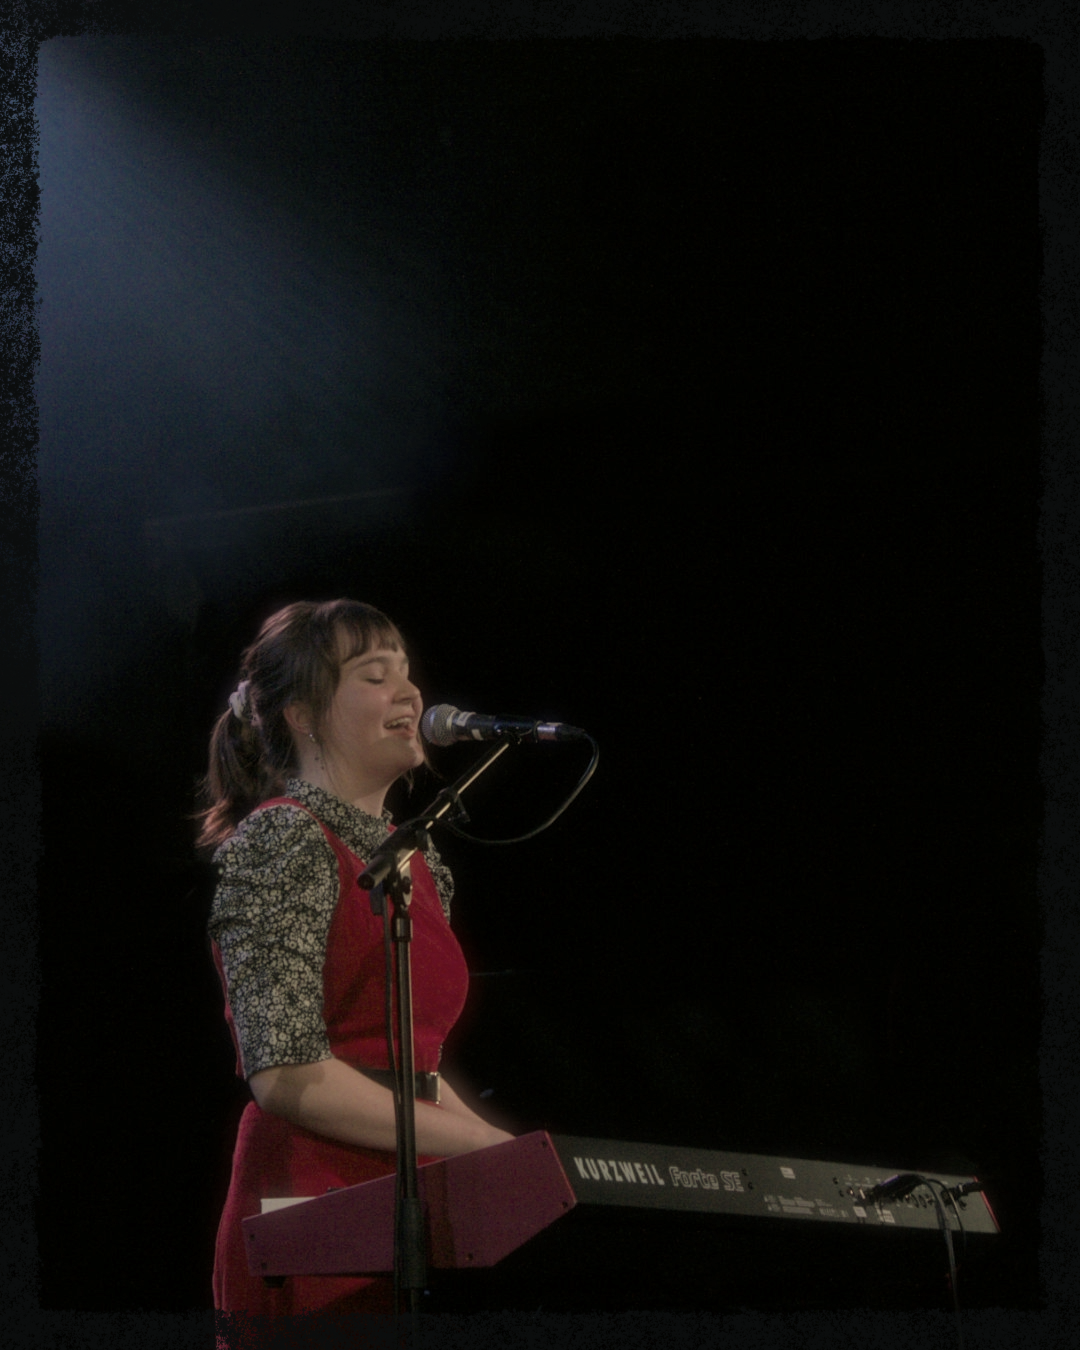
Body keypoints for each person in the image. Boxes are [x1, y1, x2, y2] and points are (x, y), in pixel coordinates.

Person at [198, 598, 513, 1335]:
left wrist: (512, 1157)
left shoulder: (418, 861)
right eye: (376, 676)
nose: (410, 692)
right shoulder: (283, 838)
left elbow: (411, 1069)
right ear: (304, 715)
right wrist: (486, 1148)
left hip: (409, 1197)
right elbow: (284, 1073)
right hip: (312, 1202)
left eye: (406, 671)